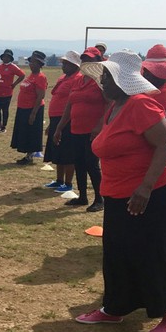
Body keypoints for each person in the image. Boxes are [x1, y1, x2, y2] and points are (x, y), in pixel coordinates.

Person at [75, 50, 166, 332]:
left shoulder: (140, 105)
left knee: (148, 249)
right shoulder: (115, 105)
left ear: (122, 79)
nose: (102, 82)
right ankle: (115, 307)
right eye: (102, 76)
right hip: (119, 191)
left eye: (107, 76)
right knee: (116, 250)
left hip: (154, 190)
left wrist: (145, 187)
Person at [54, 47, 106, 211]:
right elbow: (69, 106)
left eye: (90, 60)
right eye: (84, 60)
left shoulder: (101, 80)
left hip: (93, 132)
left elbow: (110, 104)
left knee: (92, 164)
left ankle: (99, 199)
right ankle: (82, 196)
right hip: (75, 129)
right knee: (79, 164)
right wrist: (59, 128)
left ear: (99, 62)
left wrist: (99, 125)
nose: (87, 63)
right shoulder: (78, 80)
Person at [43, 51, 81, 192]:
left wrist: (61, 123)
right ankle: (59, 180)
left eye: (66, 64)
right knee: (57, 151)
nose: (63, 66)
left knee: (67, 153)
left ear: (74, 65)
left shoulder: (77, 79)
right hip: (55, 119)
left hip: (66, 119)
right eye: (63, 63)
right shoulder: (64, 78)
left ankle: (68, 183)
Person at [10, 51, 48, 164]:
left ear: (39, 64)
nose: (31, 64)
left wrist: (33, 113)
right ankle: (27, 153)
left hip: (32, 109)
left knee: (31, 132)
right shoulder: (31, 75)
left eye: (33, 62)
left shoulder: (40, 77)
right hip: (23, 108)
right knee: (24, 131)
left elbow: (41, 95)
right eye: (30, 62)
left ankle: (29, 156)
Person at [0, 49, 26, 133]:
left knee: (5, 109)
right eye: (4, 56)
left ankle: (4, 126)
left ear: (10, 58)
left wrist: (14, 84)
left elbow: (22, 75)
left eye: (7, 57)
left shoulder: (13, 67)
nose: (5, 58)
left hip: (6, 93)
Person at [141, 44, 166, 118]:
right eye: (145, 70)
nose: (145, 74)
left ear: (161, 72)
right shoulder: (152, 91)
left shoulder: (165, 97)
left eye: (149, 71)